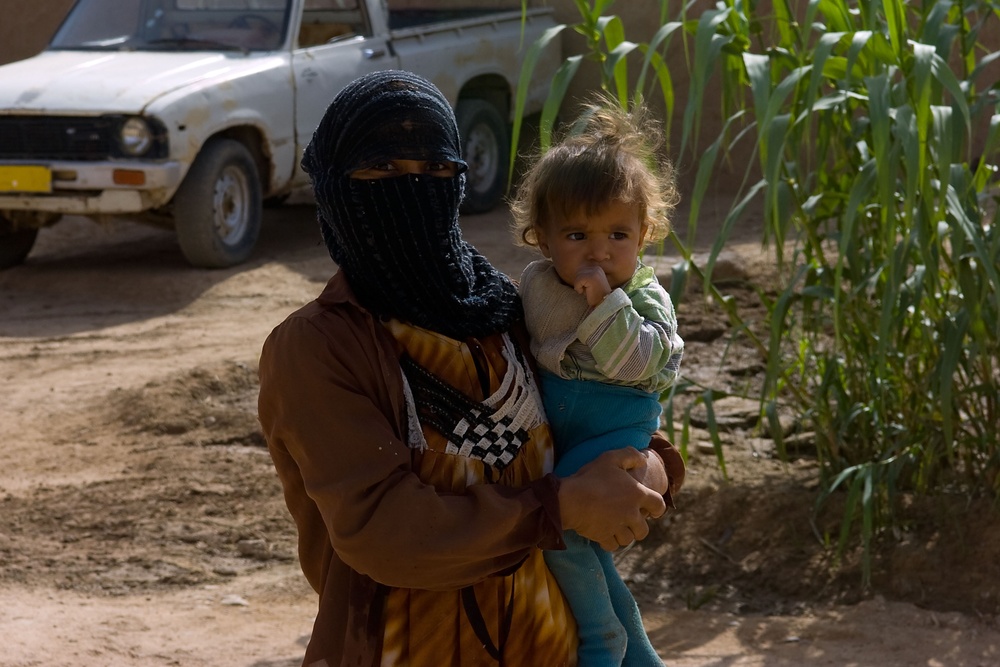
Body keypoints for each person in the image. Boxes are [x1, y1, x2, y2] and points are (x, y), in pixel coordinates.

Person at [257, 70, 685, 667]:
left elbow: (590, 409)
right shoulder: (318, 347)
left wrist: (652, 468)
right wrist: (559, 509)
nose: (413, 188)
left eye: (435, 171)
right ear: (334, 188)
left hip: (549, 644)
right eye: (381, 172)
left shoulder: (504, 309)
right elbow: (384, 529)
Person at [509, 98, 685, 666]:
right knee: (586, 549)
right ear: (542, 239)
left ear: (645, 233)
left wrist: (607, 304)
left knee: (561, 527)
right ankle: (636, 652)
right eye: (577, 235)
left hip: (615, 428)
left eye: (617, 235)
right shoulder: (536, 286)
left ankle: (599, 640)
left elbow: (642, 364)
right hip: (566, 428)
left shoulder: (643, 297)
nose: (599, 252)